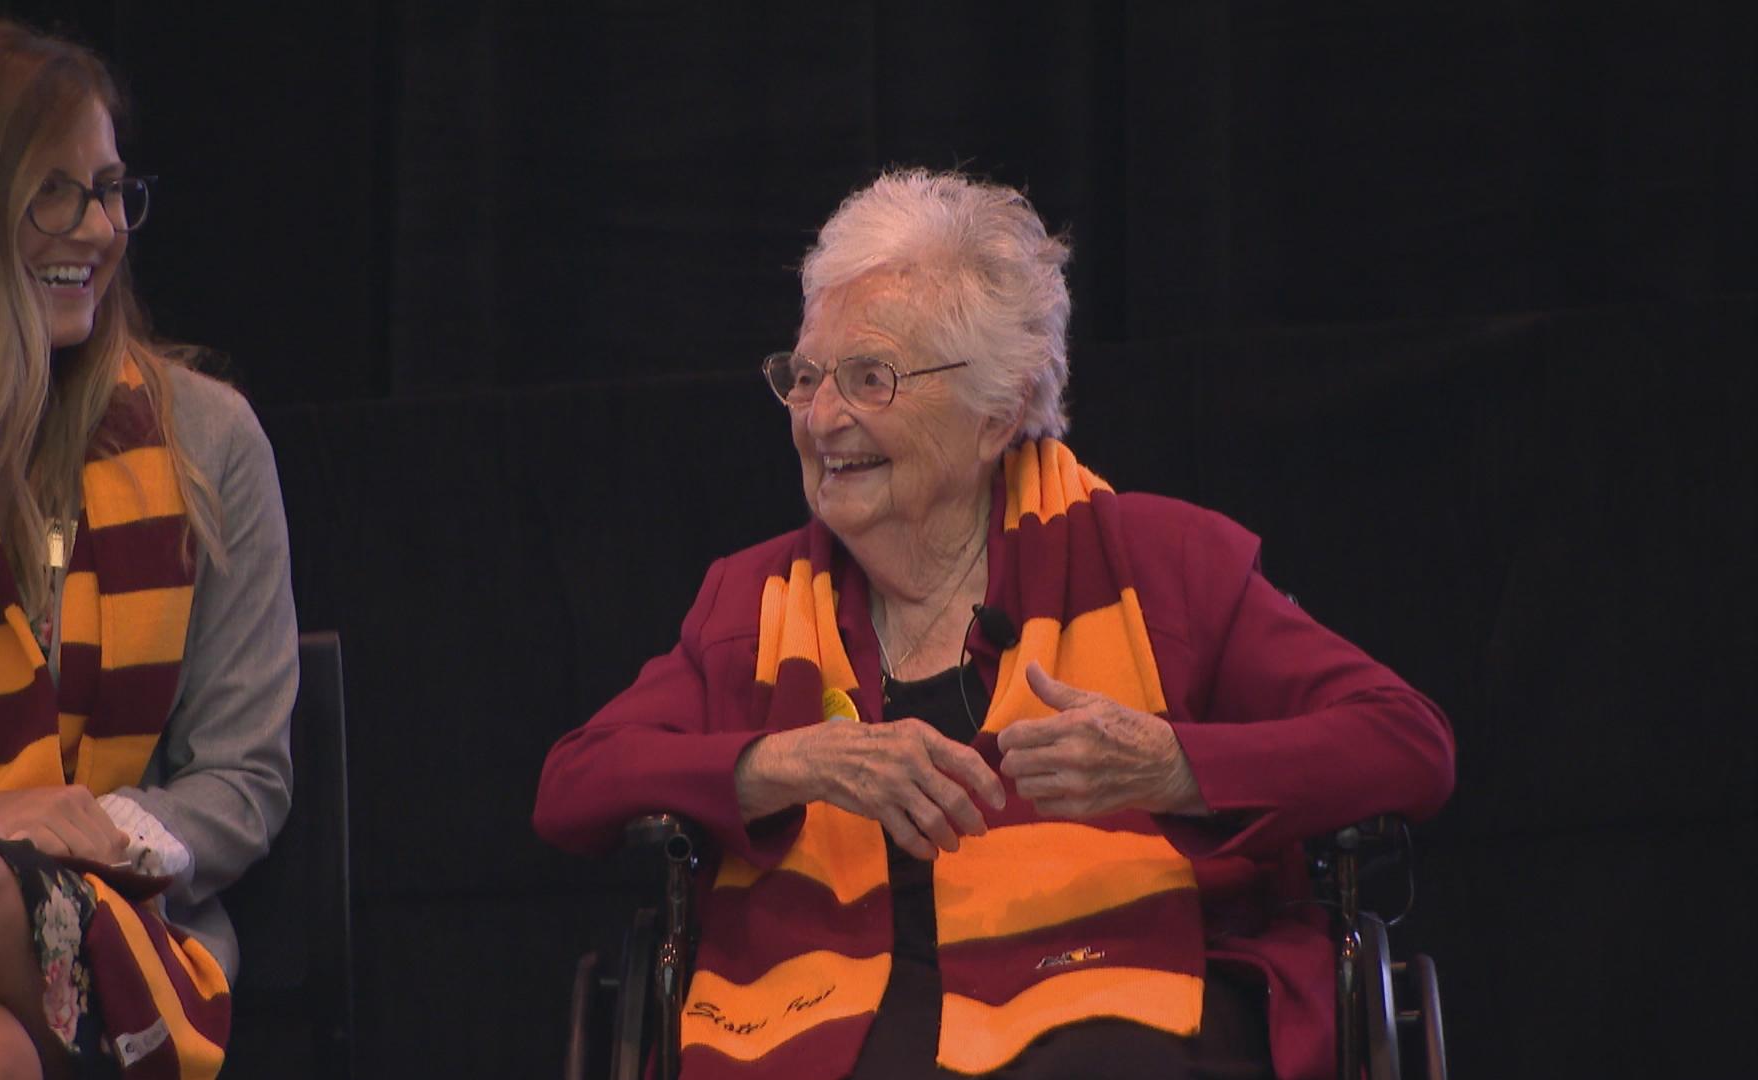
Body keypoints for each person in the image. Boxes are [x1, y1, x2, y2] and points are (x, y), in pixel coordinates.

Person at [535, 168, 1455, 1080]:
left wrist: (1174, 767)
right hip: (826, 1019)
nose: (821, 418)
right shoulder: (753, 601)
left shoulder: (1164, 567)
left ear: (998, 411)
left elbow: (1407, 745)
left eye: (871, 378)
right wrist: (786, 763)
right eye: (806, 377)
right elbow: (573, 787)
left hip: (1115, 1000)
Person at [0, 22, 295, 1079]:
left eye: (109, 190)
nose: (97, 228)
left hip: (124, 938)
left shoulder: (207, 439)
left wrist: (63, 841)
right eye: (55, 192)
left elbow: (243, 780)